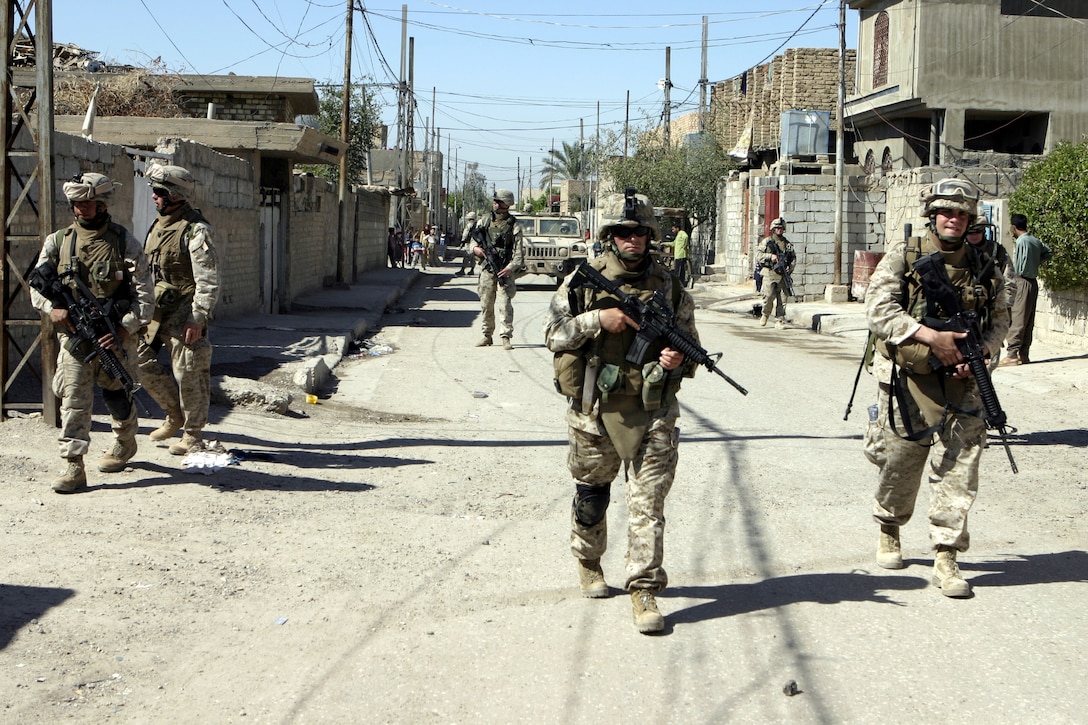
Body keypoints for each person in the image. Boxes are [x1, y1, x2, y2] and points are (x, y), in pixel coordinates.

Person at [543, 189, 699, 634]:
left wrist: (678, 359)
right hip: (594, 409)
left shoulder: (669, 286)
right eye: (623, 232)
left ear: (650, 237)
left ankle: (644, 589)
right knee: (592, 498)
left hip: (653, 412)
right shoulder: (583, 282)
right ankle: (589, 560)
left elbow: (691, 344)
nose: (633, 239)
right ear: (611, 236)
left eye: (640, 233)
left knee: (647, 503)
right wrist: (598, 321)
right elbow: (553, 335)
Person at [863, 178, 1009, 598]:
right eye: (946, 212)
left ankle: (946, 554)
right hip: (909, 376)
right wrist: (929, 336)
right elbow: (879, 309)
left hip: (964, 378)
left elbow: (1001, 319)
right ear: (933, 215)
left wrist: (979, 353)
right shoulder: (905, 255)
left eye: (962, 213)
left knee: (962, 464)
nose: (953, 219)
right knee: (902, 460)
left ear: (970, 219)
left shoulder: (985, 263)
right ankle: (889, 523)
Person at [30, 172, 154, 493]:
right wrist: (53, 309)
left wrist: (125, 328)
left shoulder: (124, 241)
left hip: (114, 337)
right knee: (74, 399)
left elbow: (145, 296)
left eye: (88, 203)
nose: (82, 209)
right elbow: (36, 288)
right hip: (74, 338)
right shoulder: (58, 242)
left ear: (101, 203)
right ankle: (74, 465)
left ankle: (125, 441)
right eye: (77, 203)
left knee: (117, 394)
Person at [137, 164, 220, 457]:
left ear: (175, 195)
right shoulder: (158, 226)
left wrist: (197, 317)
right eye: (154, 192)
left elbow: (208, 279)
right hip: (157, 311)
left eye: (159, 192)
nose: (154, 198)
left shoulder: (197, 230)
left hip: (185, 312)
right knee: (140, 362)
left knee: (189, 372)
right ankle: (174, 415)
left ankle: (193, 434)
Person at [472, 189, 524, 350]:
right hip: (487, 268)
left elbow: (519, 253)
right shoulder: (485, 221)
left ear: (506, 204)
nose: (494, 203)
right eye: (494, 201)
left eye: (498, 201)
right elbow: (472, 241)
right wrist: (475, 250)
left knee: (505, 304)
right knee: (486, 303)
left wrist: (510, 268)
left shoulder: (514, 225)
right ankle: (487, 335)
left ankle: (505, 336)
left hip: (504, 270)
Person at [1000, 213, 1052, 366]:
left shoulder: (1022, 241)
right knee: (1028, 318)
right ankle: (1024, 354)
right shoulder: (1035, 240)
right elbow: (1048, 252)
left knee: (1018, 317)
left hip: (1022, 281)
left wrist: (1017, 275)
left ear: (1013, 227)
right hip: (1033, 282)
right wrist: (1036, 263)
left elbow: (1020, 265)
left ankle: (1012, 354)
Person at [756, 217, 796, 328]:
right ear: (774, 229)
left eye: (781, 228)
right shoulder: (767, 242)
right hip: (770, 273)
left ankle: (780, 320)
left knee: (782, 299)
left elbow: (793, 258)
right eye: (777, 228)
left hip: (782, 275)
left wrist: (790, 267)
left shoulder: (787, 244)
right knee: (768, 297)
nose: (779, 230)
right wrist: (770, 256)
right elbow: (758, 255)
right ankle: (765, 314)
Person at [664, 222, 690, 287]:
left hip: (681, 255)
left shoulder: (682, 233)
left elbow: (686, 237)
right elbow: (673, 244)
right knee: (678, 270)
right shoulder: (678, 235)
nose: (672, 231)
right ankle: (680, 283)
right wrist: (664, 243)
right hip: (678, 255)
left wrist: (685, 245)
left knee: (679, 271)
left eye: (673, 229)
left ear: (677, 228)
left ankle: (679, 283)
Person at [455, 212, 478, 276]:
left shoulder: (469, 225)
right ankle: (472, 270)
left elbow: (465, 234)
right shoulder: (477, 225)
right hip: (475, 243)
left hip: (469, 243)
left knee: (466, 256)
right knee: (473, 257)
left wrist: (462, 241)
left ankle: (462, 270)